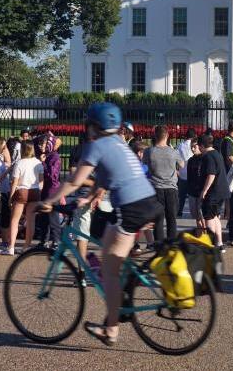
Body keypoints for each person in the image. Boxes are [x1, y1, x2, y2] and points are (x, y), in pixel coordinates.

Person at [40, 102, 163, 346]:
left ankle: (112, 329)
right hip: (149, 202)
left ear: (93, 126)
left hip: (130, 209)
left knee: (109, 268)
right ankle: (124, 293)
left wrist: (48, 201)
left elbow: (75, 181)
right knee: (108, 243)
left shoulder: (95, 146)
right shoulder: (119, 143)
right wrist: (92, 194)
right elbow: (110, 175)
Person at [142, 125, 184, 241]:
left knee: (158, 220)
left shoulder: (149, 151)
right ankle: (171, 246)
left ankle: (159, 246)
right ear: (167, 136)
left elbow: (145, 164)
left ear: (155, 136)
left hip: (155, 188)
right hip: (171, 188)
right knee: (171, 219)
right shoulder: (173, 152)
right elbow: (182, 165)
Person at [6, 141, 44, 255]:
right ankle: (26, 247)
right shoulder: (38, 163)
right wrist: (38, 191)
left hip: (21, 190)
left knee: (15, 219)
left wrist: (11, 197)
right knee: (31, 220)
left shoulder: (20, 163)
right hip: (35, 191)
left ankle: (11, 247)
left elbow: (14, 182)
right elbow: (41, 182)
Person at [198, 133, 230, 253]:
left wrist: (204, 191)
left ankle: (211, 245)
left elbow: (211, 174)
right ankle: (219, 243)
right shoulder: (216, 153)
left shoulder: (208, 156)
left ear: (201, 145)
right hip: (221, 191)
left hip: (213, 192)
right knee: (216, 217)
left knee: (209, 218)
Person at [39, 134, 63, 247]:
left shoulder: (55, 157)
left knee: (53, 218)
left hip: (52, 191)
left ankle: (56, 240)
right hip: (46, 190)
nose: (41, 146)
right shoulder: (48, 156)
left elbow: (52, 176)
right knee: (44, 217)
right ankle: (44, 240)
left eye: (43, 144)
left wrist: (43, 164)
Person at [176, 128, 197, 217]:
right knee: (194, 195)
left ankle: (179, 210)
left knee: (181, 196)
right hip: (193, 174)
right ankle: (195, 212)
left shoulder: (180, 145)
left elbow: (176, 159)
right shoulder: (195, 145)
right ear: (194, 136)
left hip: (183, 173)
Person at [185, 139, 203, 225]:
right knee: (196, 216)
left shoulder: (204, 158)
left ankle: (206, 234)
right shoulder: (191, 160)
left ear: (200, 146)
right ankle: (200, 233)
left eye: (194, 147)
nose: (192, 149)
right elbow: (189, 176)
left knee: (202, 215)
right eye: (191, 147)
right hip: (192, 192)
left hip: (202, 191)